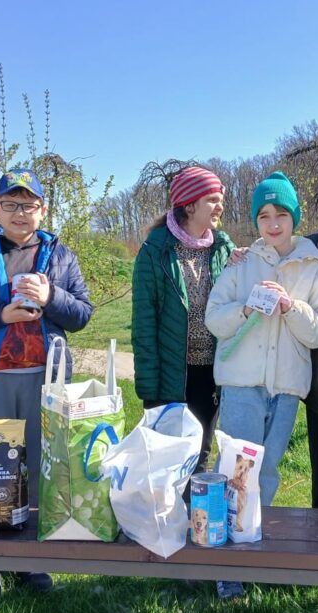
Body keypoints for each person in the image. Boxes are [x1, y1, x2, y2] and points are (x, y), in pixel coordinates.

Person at [0, 168, 94, 598]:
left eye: (29, 205)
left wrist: (51, 298)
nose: (20, 213)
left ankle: (30, 561)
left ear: (42, 210)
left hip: (45, 381)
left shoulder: (61, 256)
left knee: (39, 471)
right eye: (11, 204)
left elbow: (82, 314)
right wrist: (0, 312)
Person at [205, 172, 318, 598]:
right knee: (236, 470)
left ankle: (255, 546)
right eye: (264, 215)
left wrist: (291, 307)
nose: (273, 222)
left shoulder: (313, 265)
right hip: (242, 383)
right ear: (256, 220)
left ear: (294, 217)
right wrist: (246, 308)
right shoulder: (241, 262)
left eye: (281, 213)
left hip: (286, 388)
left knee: (268, 472)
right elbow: (213, 317)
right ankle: (228, 564)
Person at [131, 166, 234, 475]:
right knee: (167, 460)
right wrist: (151, 388)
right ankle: (165, 522)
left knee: (201, 455)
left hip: (211, 374)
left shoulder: (223, 248)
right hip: (172, 375)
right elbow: (144, 324)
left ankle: (198, 522)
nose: (220, 207)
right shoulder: (156, 251)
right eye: (212, 200)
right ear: (190, 205)